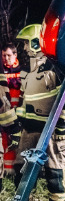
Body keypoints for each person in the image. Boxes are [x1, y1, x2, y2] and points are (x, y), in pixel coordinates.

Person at [3, 25, 65, 201]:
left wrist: (62, 127)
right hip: (29, 128)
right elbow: (26, 99)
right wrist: (19, 124)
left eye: (27, 43)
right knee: (22, 166)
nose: (25, 48)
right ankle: (22, 200)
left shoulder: (55, 68)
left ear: (36, 42)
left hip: (51, 128)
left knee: (54, 167)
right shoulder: (26, 71)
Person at [0, 43, 24, 177]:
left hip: (17, 112)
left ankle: (14, 170)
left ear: (15, 55)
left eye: (8, 55)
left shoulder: (22, 71)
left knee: (16, 142)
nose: (6, 58)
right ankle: (7, 171)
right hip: (5, 112)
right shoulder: (1, 72)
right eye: (3, 55)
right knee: (4, 142)